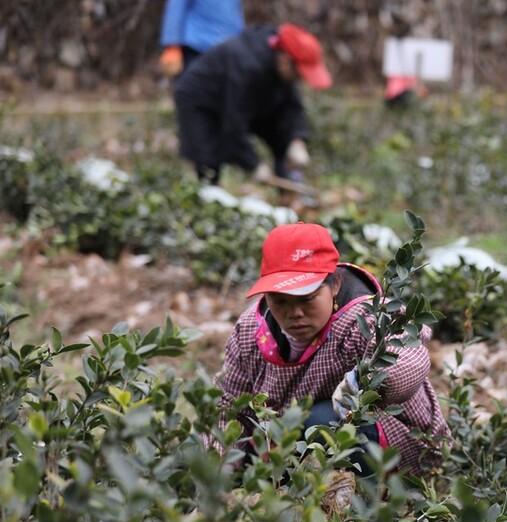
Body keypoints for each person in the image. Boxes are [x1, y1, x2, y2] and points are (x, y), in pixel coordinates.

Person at [216, 222, 447, 474]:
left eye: (307, 299)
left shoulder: (368, 318)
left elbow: (406, 359)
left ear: (335, 284)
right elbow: (229, 406)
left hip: (396, 448)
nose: (295, 313)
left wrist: (363, 384)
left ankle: (359, 505)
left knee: (318, 423)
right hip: (288, 445)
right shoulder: (251, 331)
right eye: (280, 301)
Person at [172, 22, 331, 184]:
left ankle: (290, 189)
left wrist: (297, 140)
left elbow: (292, 107)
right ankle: (208, 193)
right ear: (285, 60)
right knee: (208, 162)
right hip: (201, 99)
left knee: (283, 134)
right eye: (299, 74)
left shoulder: (281, 65)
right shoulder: (247, 65)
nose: (300, 79)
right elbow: (234, 123)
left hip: (246, 100)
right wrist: (253, 165)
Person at [159, 0, 244, 78]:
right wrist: (172, 46)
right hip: (196, 49)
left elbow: (234, 14)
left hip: (227, 53)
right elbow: (176, 7)